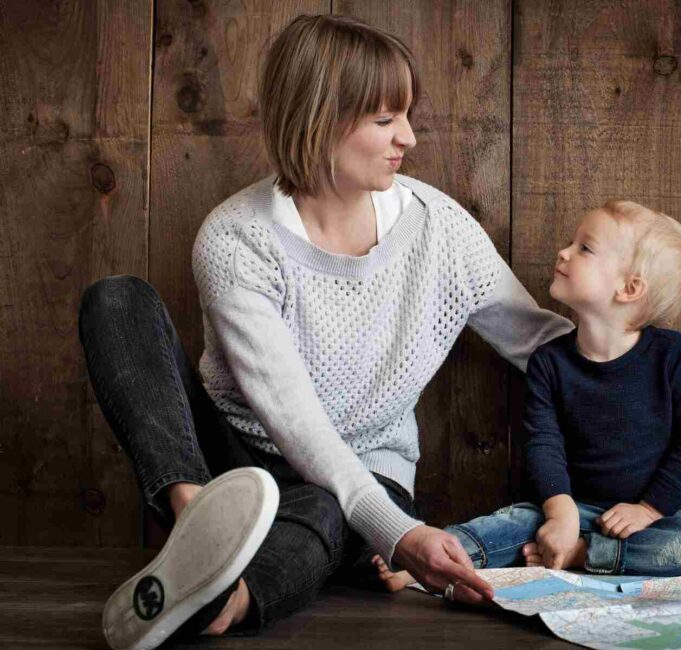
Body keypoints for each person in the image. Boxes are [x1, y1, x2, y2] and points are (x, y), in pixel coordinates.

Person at [78, 14, 573, 650]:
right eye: (385, 119)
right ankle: (197, 522)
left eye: (406, 115)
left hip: (361, 474)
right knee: (116, 301)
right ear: (321, 118)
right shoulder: (236, 239)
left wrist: (653, 420)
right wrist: (397, 536)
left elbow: (540, 342)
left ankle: (225, 599)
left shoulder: (438, 229)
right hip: (229, 458)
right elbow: (294, 419)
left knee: (327, 506)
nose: (410, 138)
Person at [376, 199, 681, 590]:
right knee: (512, 524)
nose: (564, 252)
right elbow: (543, 444)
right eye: (572, 243)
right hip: (570, 506)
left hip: (647, 522)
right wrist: (560, 514)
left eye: (584, 249)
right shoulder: (549, 362)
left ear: (629, 288)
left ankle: (582, 555)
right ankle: (427, 561)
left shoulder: (671, 355)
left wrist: (649, 509)